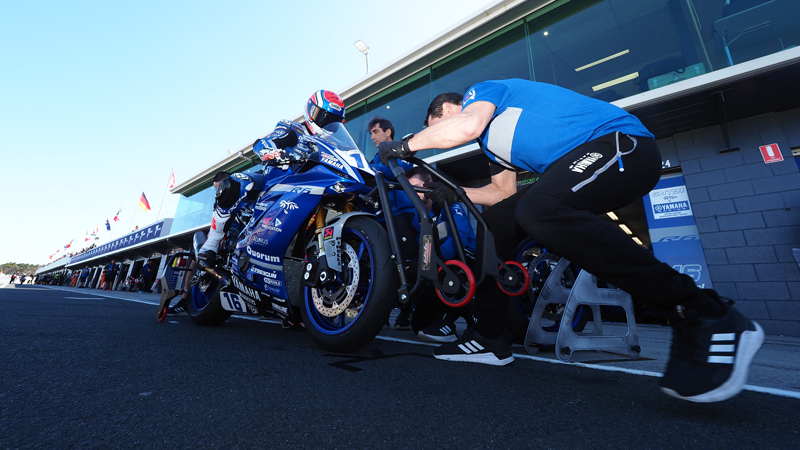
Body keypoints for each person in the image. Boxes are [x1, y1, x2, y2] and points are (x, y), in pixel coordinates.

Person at [379, 79, 764, 403]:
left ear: (449, 108)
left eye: (437, 125)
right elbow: (500, 194)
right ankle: (490, 337)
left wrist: (409, 144)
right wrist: (456, 191)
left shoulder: (484, 95)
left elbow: (463, 127)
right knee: (499, 220)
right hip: (575, 164)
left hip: (620, 143)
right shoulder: (494, 146)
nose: (440, 136)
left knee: (540, 209)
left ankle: (702, 311)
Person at [405, 166, 476, 342]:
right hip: (439, 267)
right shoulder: (416, 217)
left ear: (428, 185)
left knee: (452, 262)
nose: (410, 192)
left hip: (467, 260)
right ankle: (463, 315)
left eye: (414, 186)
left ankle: (453, 322)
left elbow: (462, 238)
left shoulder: (447, 203)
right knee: (419, 324)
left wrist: (432, 261)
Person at [367, 116, 416, 330]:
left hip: (402, 216)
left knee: (409, 263)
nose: (372, 137)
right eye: (370, 134)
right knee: (382, 267)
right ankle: (384, 309)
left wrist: (373, 172)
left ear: (388, 132)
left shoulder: (401, 152)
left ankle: (411, 311)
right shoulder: (372, 161)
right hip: (379, 220)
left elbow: (401, 172)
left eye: (376, 132)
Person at [169, 171, 230, 314]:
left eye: (220, 188)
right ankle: (185, 299)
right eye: (216, 190)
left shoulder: (246, 191)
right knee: (197, 260)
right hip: (221, 236)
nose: (219, 193)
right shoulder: (219, 202)